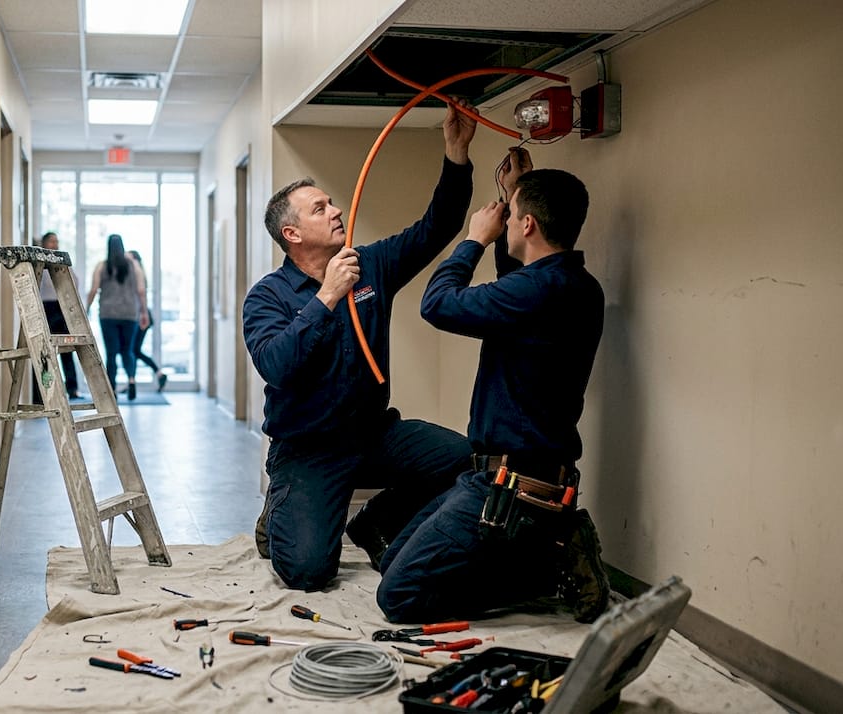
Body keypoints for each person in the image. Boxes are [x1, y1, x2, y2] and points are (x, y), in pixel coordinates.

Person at [242, 100, 479, 592]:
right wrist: (327, 296)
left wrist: (456, 153)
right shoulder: (268, 296)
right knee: (308, 571)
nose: (336, 211)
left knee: (464, 460)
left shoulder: (370, 265)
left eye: (331, 203)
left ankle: (376, 525)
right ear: (292, 234)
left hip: (373, 435)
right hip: (307, 450)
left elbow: (435, 228)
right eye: (320, 208)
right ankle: (282, 510)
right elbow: (276, 365)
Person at [375, 148, 611, 624]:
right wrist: (515, 193)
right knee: (391, 559)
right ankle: (533, 552)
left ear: (527, 226)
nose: (504, 219)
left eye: (513, 214)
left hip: (511, 489)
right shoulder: (569, 286)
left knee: (397, 597)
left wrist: (473, 240)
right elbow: (515, 288)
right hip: (507, 477)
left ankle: (543, 568)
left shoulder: (539, 291)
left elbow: (437, 304)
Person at [86, 234, 148, 400]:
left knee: (111, 353)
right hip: (129, 314)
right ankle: (131, 380)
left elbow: (93, 290)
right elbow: (141, 290)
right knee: (127, 351)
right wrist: (144, 312)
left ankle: (112, 389)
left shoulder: (102, 266)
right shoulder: (133, 265)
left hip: (108, 314)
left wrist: (86, 308)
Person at [32, 231, 81, 402]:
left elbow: (74, 282)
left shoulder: (61, 264)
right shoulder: (38, 264)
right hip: (46, 308)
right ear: (44, 244)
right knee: (44, 350)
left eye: (57, 241)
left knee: (67, 350)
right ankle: (45, 389)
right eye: (52, 242)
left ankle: (72, 388)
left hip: (61, 308)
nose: (55, 245)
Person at [126, 250, 168, 392]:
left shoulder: (138, 274)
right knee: (134, 350)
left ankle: (156, 373)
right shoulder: (137, 274)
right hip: (140, 316)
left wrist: (142, 315)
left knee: (133, 350)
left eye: (129, 259)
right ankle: (132, 381)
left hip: (141, 317)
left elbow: (140, 295)